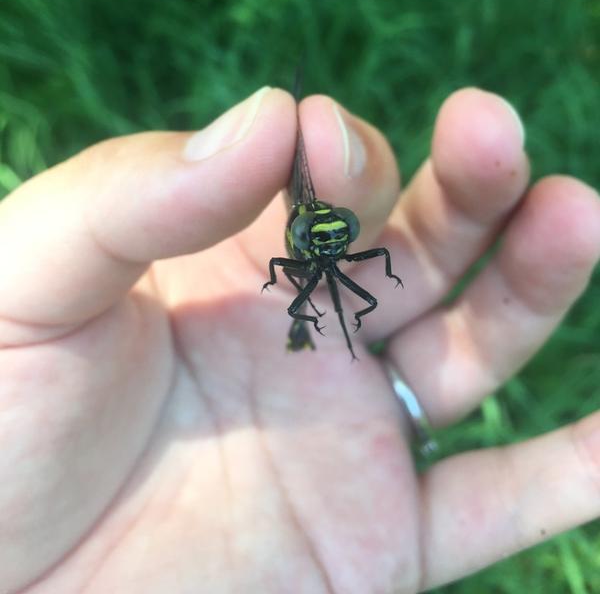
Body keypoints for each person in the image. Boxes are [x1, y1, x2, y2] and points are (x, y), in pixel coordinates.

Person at [0, 86, 598, 594]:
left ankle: (314, 303)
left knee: (342, 281)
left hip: (320, 246)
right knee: (319, 279)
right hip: (306, 248)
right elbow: (298, 265)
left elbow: (344, 260)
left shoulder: (335, 256)